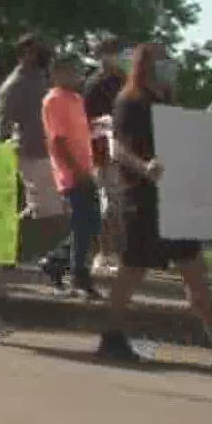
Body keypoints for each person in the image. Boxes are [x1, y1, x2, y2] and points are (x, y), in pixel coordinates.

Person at [95, 43, 212, 366]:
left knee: (194, 268)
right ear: (146, 66)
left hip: (175, 197)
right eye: (163, 60)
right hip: (142, 198)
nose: (170, 65)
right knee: (132, 270)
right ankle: (111, 336)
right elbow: (117, 149)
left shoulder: (164, 102)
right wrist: (145, 167)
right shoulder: (129, 102)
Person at [0, 35, 68, 275]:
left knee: (39, 206)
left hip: (47, 150)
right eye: (36, 50)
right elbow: (4, 122)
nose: (42, 54)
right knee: (50, 211)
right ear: (24, 53)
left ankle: (5, 247)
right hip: (31, 151)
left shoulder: (41, 78)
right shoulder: (15, 84)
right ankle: (53, 256)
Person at [38, 56, 103, 299]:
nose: (79, 76)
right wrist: (76, 171)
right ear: (58, 73)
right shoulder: (54, 100)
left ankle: (56, 261)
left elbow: (80, 131)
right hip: (73, 173)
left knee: (90, 223)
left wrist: (96, 126)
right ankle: (78, 275)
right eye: (74, 72)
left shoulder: (76, 99)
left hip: (85, 169)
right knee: (83, 223)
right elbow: (58, 140)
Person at [84, 39, 129, 275]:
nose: (114, 57)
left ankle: (120, 255)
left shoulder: (125, 81)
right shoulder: (93, 84)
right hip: (102, 151)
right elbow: (85, 121)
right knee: (108, 205)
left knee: (121, 206)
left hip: (125, 151)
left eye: (117, 52)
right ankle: (103, 254)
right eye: (109, 53)